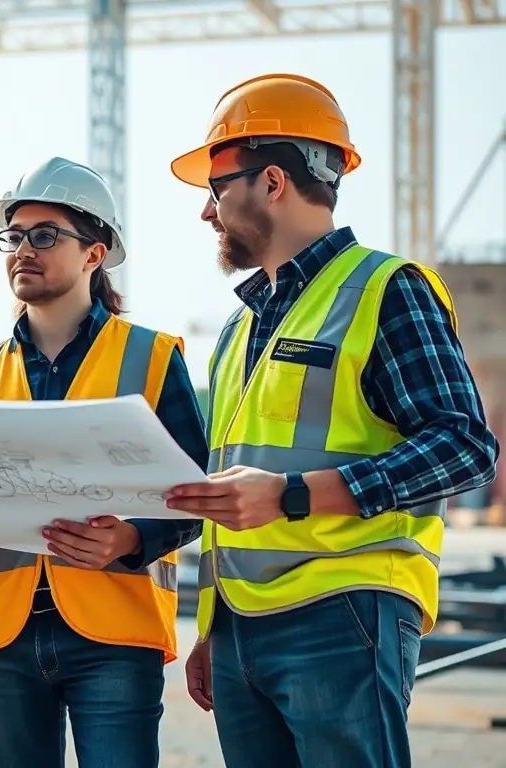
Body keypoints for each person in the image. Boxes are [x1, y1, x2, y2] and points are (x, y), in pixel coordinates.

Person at [168, 73, 501, 768]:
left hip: (342, 615)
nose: (206, 211)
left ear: (272, 182)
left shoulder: (385, 289)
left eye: (215, 186)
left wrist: (294, 496)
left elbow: (464, 446)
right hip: (240, 632)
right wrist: (214, 628)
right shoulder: (238, 330)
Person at [0, 157, 208, 768]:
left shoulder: (153, 358)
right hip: (2, 632)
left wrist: (134, 537)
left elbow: (198, 494)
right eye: (14, 236)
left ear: (94, 254)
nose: (24, 249)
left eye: (45, 235)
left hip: (114, 629)